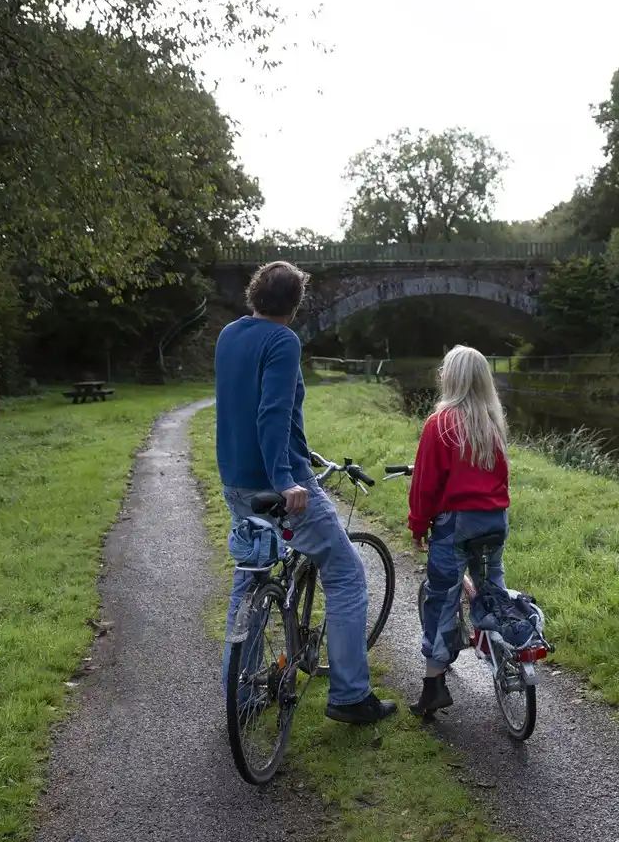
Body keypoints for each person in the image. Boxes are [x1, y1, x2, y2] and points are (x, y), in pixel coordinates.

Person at [215, 260, 396, 725]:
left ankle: (240, 694)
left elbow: (245, 407)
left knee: (249, 580)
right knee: (346, 572)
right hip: (278, 482)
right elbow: (271, 412)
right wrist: (285, 478)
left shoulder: (230, 335)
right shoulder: (282, 340)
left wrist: (302, 450)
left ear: (254, 294)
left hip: (236, 481)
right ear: (295, 305)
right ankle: (351, 695)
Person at [407, 345, 512, 716]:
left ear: (450, 378)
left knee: (442, 597)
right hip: (495, 519)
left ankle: (434, 685)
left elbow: (425, 484)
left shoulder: (440, 424)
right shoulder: (493, 422)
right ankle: (507, 649)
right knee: (493, 586)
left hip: (456, 523)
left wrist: (419, 524)